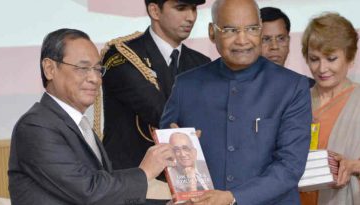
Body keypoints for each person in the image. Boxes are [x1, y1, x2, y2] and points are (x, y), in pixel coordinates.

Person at [160, 0, 312, 204]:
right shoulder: (186, 86)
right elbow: (166, 150)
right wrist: (172, 146)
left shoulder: (292, 87)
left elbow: (290, 167)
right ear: (212, 33)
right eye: (230, 30)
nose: (242, 40)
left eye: (251, 29)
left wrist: (233, 198)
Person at [8, 28, 175, 205]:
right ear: (50, 69)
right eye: (83, 68)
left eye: (97, 69)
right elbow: (90, 192)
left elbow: (109, 197)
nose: (95, 79)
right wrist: (145, 171)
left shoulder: (80, 125)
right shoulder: (36, 126)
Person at [100, 0, 210, 174]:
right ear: (154, 11)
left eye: (194, 9)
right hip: (132, 182)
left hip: (185, 182)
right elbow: (160, 111)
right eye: (181, 8)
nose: (190, 17)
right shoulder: (122, 56)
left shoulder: (201, 63)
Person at [299, 12, 360, 205]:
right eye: (314, 59)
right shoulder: (296, 102)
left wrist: (354, 166)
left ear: (350, 58)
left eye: (331, 58)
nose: (322, 68)